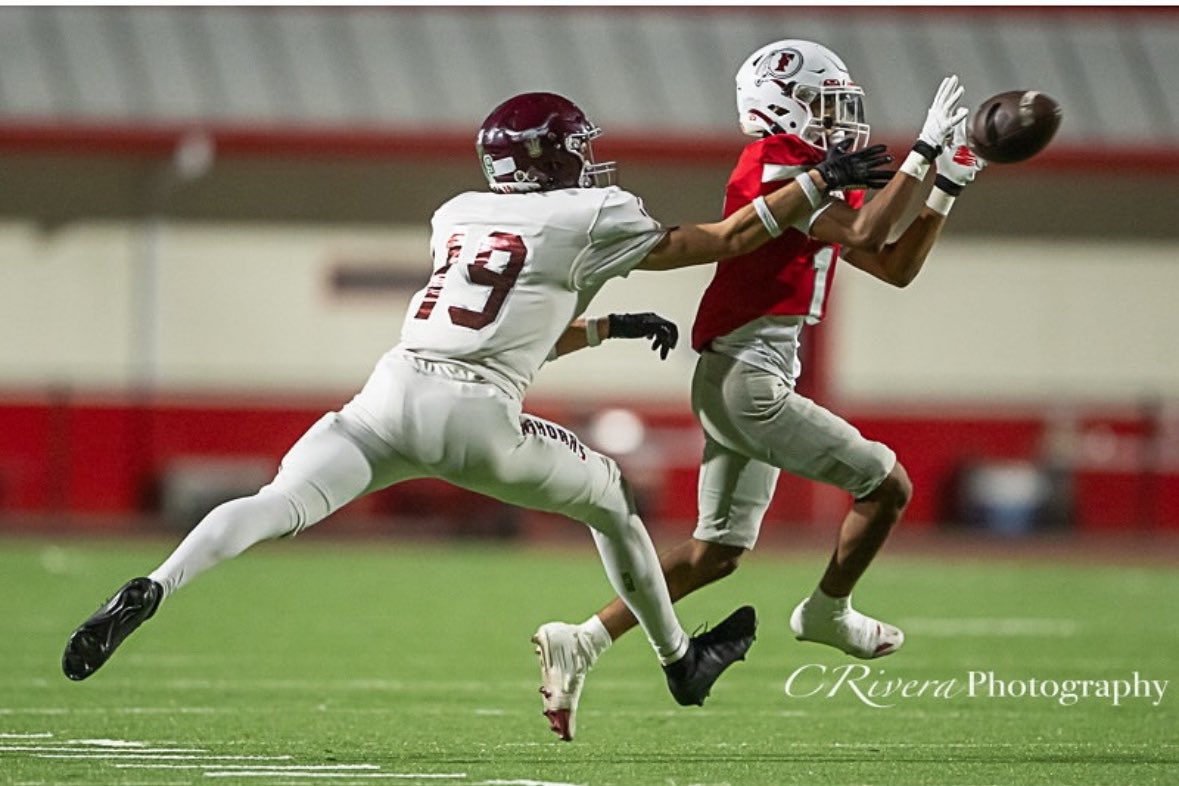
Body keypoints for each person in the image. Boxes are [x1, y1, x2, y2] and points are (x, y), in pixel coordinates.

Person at [61, 91, 894, 736]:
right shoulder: (592, 212)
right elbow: (720, 242)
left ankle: (154, 585)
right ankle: (680, 661)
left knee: (274, 504)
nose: (588, 161)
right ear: (555, 157)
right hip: (476, 416)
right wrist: (815, 183)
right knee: (610, 501)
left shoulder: (456, 214)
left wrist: (604, 325)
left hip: (388, 396)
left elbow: (503, 321)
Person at [531, 41, 987, 739]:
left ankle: (583, 639)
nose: (838, 119)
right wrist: (924, 152)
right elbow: (870, 225)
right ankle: (826, 612)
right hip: (746, 377)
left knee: (717, 552)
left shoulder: (812, 170)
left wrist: (946, 185)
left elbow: (890, 262)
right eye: (823, 103)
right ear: (779, 104)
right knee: (885, 484)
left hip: (748, 372)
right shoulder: (776, 162)